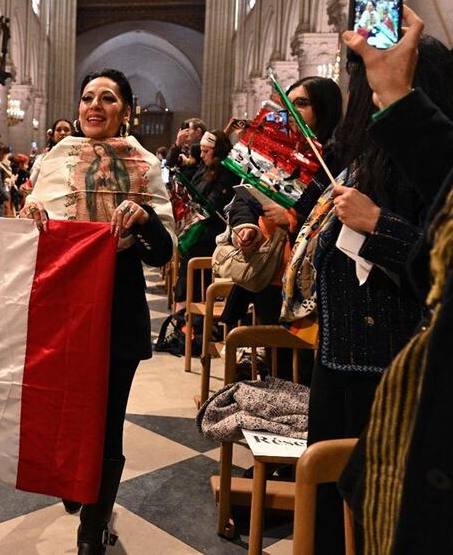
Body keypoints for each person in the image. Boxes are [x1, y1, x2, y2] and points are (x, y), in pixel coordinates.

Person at [335, 6, 453, 554]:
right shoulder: (371, 157)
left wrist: (379, 225)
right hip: (355, 365)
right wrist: (397, 101)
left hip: (400, 370)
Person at [283, 36, 453, 552]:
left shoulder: (443, 171)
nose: (370, 100)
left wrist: (378, 224)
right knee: (334, 518)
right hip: (341, 363)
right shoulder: (361, 159)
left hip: (389, 371)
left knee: (375, 519)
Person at [22, 69, 175, 554]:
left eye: (107, 98)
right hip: (61, 305)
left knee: (108, 420)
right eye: (88, 97)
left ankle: (94, 525)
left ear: (126, 110)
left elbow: (162, 253)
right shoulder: (54, 158)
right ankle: (72, 481)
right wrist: (31, 218)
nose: (94, 105)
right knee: (63, 407)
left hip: (118, 306)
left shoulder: (146, 166)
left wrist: (145, 218)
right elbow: (33, 236)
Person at [225, 76, 344, 329]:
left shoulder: (336, 157)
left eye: (301, 103)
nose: (292, 111)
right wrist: (248, 226)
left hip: (307, 277)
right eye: (288, 104)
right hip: (269, 267)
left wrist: (293, 216)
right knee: (274, 358)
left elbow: (335, 217)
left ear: (325, 107)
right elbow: (244, 197)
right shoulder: (282, 151)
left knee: (298, 363)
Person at [172, 131, 238, 308]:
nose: (201, 155)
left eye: (205, 151)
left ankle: (186, 315)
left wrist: (197, 200)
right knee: (188, 251)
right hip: (200, 228)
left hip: (215, 233)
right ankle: (182, 316)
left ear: (217, 151)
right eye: (201, 151)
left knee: (193, 253)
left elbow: (214, 205)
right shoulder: (205, 167)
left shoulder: (227, 172)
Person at [29, 118, 72, 186]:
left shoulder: (79, 155)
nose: (62, 133)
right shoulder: (43, 158)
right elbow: (32, 182)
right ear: (53, 135)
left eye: (66, 130)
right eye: (58, 130)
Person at [0, 141, 15, 217]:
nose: (4, 155)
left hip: (7, 192)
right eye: (2, 152)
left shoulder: (5, 164)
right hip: (1, 195)